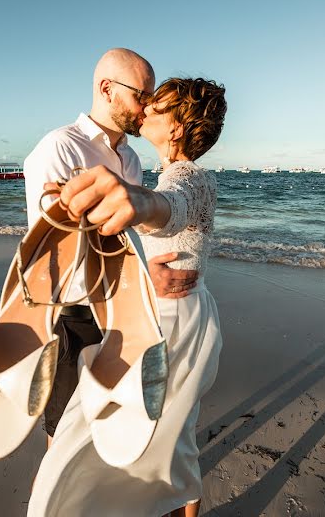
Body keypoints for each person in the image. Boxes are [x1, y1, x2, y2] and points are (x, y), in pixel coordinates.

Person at [28, 77, 227, 517]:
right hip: (164, 312)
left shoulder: (187, 177)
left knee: (93, 435)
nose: (147, 109)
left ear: (175, 129)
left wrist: (136, 202)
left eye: (158, 105)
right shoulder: (153, 168)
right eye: (146, 98)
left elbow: (169, 206)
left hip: (167, 323)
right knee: (175, 438)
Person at [23, 49, 200, 444]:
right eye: (142, 96)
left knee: (109, 430)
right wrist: (135, 280)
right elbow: (52, 257)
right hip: (73, 315)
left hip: (122, 316)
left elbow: (126, 240)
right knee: (62, 436)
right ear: (107, 89)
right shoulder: (59, 149)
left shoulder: (132, 160)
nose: (147, 108)